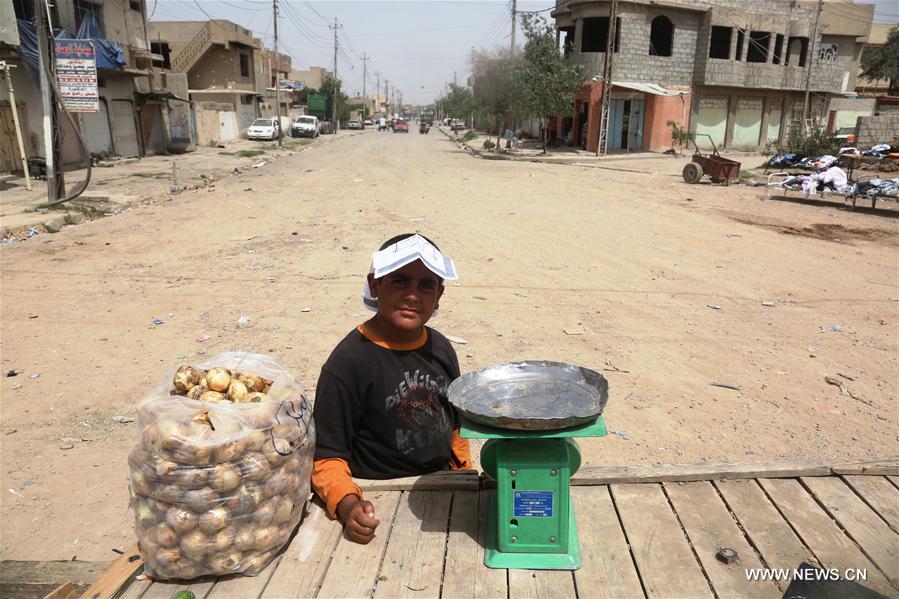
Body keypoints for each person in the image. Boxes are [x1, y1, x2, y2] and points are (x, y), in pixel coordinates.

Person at [311, 234, 472, 544]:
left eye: (426, 285)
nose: (413, 295)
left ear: (439, 295)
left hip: (439, 487)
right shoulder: (348, 362)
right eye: (400, 281)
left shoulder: (441, 347)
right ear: (375, 285)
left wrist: (463, 475)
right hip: (377, 496)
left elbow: (456, 427)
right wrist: (348, 505)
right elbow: (326, 457)